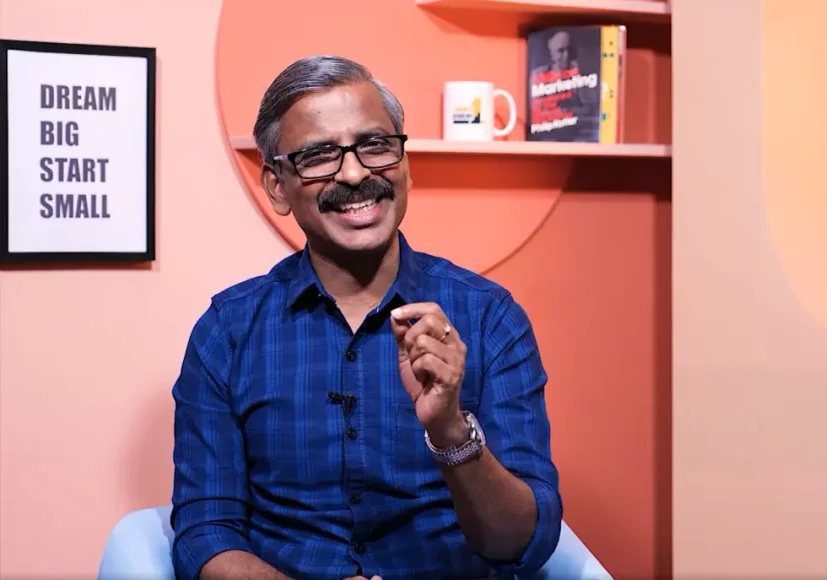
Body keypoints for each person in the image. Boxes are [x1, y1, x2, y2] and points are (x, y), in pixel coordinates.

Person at [170, 55, 562, 580]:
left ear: (405, 165)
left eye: (375, 145)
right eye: (318, 156)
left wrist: (450, 430)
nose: (354, 174)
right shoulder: (227, 332)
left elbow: (522, 544)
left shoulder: (490, 318)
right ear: (277, 187)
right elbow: (205, 533)